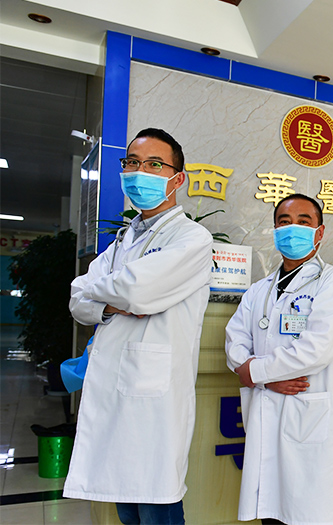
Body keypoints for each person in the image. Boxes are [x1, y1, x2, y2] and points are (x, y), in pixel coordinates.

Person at [65, 128, 214, 525]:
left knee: (155, 506)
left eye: (153, 164)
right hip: (114, 390)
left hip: (153, 397)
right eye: (132, 162)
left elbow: (135, 290)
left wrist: (109, 294)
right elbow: (78, 300)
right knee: (127, 507)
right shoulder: (122, 240)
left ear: (177, 178)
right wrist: (111, 304)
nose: (138, 172)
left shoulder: (192, 238)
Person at [225, 194, 333, 525]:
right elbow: (234, 340)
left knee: (306, 511)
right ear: (275, 230)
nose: (292, 228)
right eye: (284, 222)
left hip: (307, 414)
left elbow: (317, 349)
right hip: (266, 408)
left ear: (320, 232)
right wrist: (266, 379)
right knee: (271, 511)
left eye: (303, 221)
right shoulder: (260, 289)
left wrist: (256, 372)